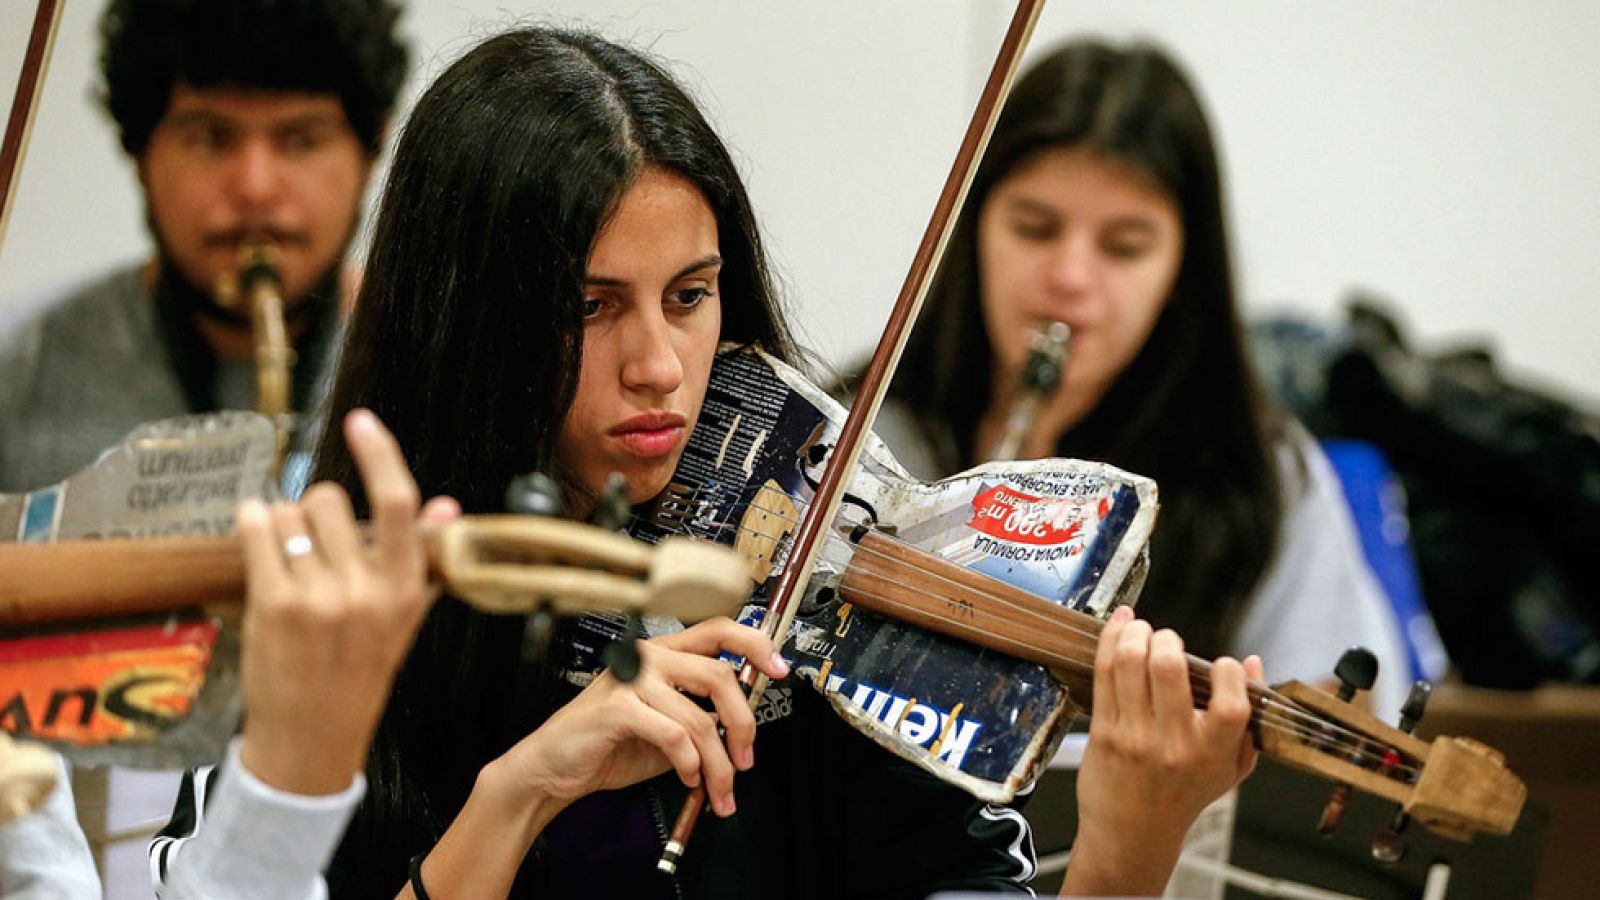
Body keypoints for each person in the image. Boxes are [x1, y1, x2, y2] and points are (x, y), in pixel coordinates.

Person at [153, 27, 1261, 899]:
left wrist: (1129, 848)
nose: (658, 367)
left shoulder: (815, 620)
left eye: (690, 295)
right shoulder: (337, 616)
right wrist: (517, 796)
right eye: (589, 308)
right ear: (465, 324)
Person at [874, 39, 1408, 717]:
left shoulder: (1264, 480)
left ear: (1184, 270)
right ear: (973, 227)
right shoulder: (864, 436)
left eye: (1125, 247)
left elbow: (1335, 731)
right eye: (1035, 229)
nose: (1069, 279)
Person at [0, 0, 409, 493]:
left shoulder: (444, 358)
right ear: (139, 152)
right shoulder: (17, 362)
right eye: (211, 138)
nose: (255, 188)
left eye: (302, 139)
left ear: (372, 153)